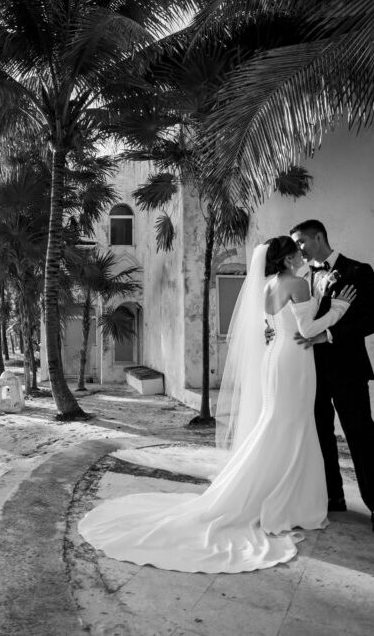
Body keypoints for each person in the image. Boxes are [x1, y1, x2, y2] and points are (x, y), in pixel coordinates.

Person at [78, 237, 355, 573]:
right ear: (284, 259)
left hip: (276, 358)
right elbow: (307, 328)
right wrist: (339, 307)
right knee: (291, 424)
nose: (301, 256)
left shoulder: (266, 286)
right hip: (295, 359)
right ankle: (287, 501)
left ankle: (273, 492)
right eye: (296, 253)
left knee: (280, 422)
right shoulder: (296, 283)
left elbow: (266, 328)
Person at [289, 219, 374, 530]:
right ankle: (332, 498)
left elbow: (370, 319)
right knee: (321, 435)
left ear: (319, 236)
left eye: (301, 241)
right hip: (311, 372)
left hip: (349, 369)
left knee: (362, 435)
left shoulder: (358, 271)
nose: (298, 248)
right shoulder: (300, 277)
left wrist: (330, 336)